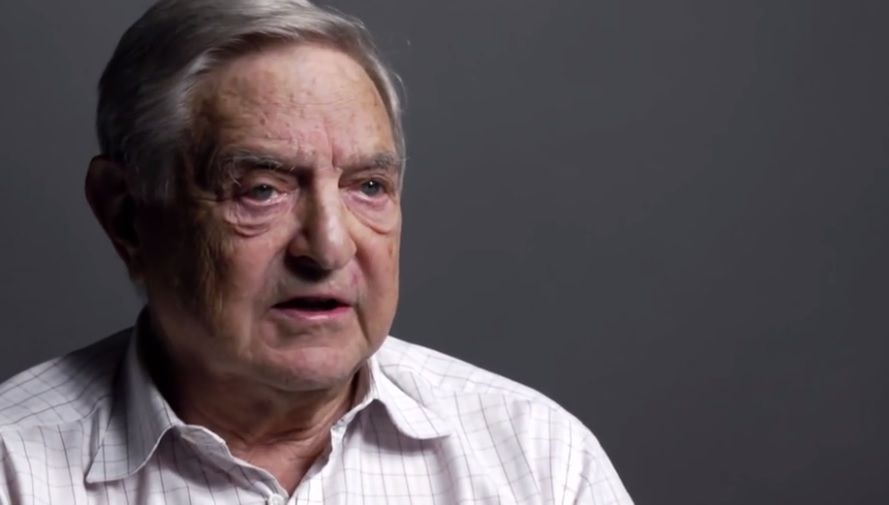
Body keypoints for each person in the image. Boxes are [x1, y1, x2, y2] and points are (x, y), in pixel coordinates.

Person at [0, 1, 633, 503]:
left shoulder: (538, 461)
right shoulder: (15, 468)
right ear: (126, 216)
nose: (329, 247)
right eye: (262, 189)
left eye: (368, 187)